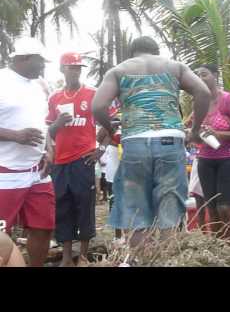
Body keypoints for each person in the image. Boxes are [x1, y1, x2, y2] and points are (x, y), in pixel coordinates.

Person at [92, 37, 211, 248]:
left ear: (132, 53)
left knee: (136, 210)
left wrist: (111, 129)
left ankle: (142, 259)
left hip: (135, 142)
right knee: (170, 206)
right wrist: (194, 129)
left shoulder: (118, 71)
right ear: (157, 52)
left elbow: (98, 106)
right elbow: (203, 92)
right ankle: (166, 260)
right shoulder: (176, 67)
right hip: (170, 140)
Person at [46, 52, 108, 267]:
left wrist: (101, 149)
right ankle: (65, 256)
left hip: (84, 161)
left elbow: (112, 120)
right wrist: (58, 124)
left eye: (78, 67)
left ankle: (82, 256)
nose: (75, 71)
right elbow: (49, 131)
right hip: (60, 163)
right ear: (62, 69)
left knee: (84, 205)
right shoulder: (54, 97)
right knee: (62, 207)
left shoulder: (92, 93)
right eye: (71, 67)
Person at [0, 37, 54, 267]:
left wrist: (49, 149)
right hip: (6, 171)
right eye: (40, 61)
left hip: (37, 172)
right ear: (23, 58)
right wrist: (14, 135)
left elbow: (44, 122)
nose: (43, 67)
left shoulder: (39, 86)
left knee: (43, 227)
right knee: (2, 234)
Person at [194, 65, 230, 244]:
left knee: (225, 206)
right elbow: (194, 133)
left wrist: (219, 134)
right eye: (197, 75)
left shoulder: (228, 100)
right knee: (212, 207)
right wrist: (193, 133)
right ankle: (218, 249)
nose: (200, 78)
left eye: (204, 74)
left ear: (215, 75)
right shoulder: (198, 102)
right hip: (205, 160)